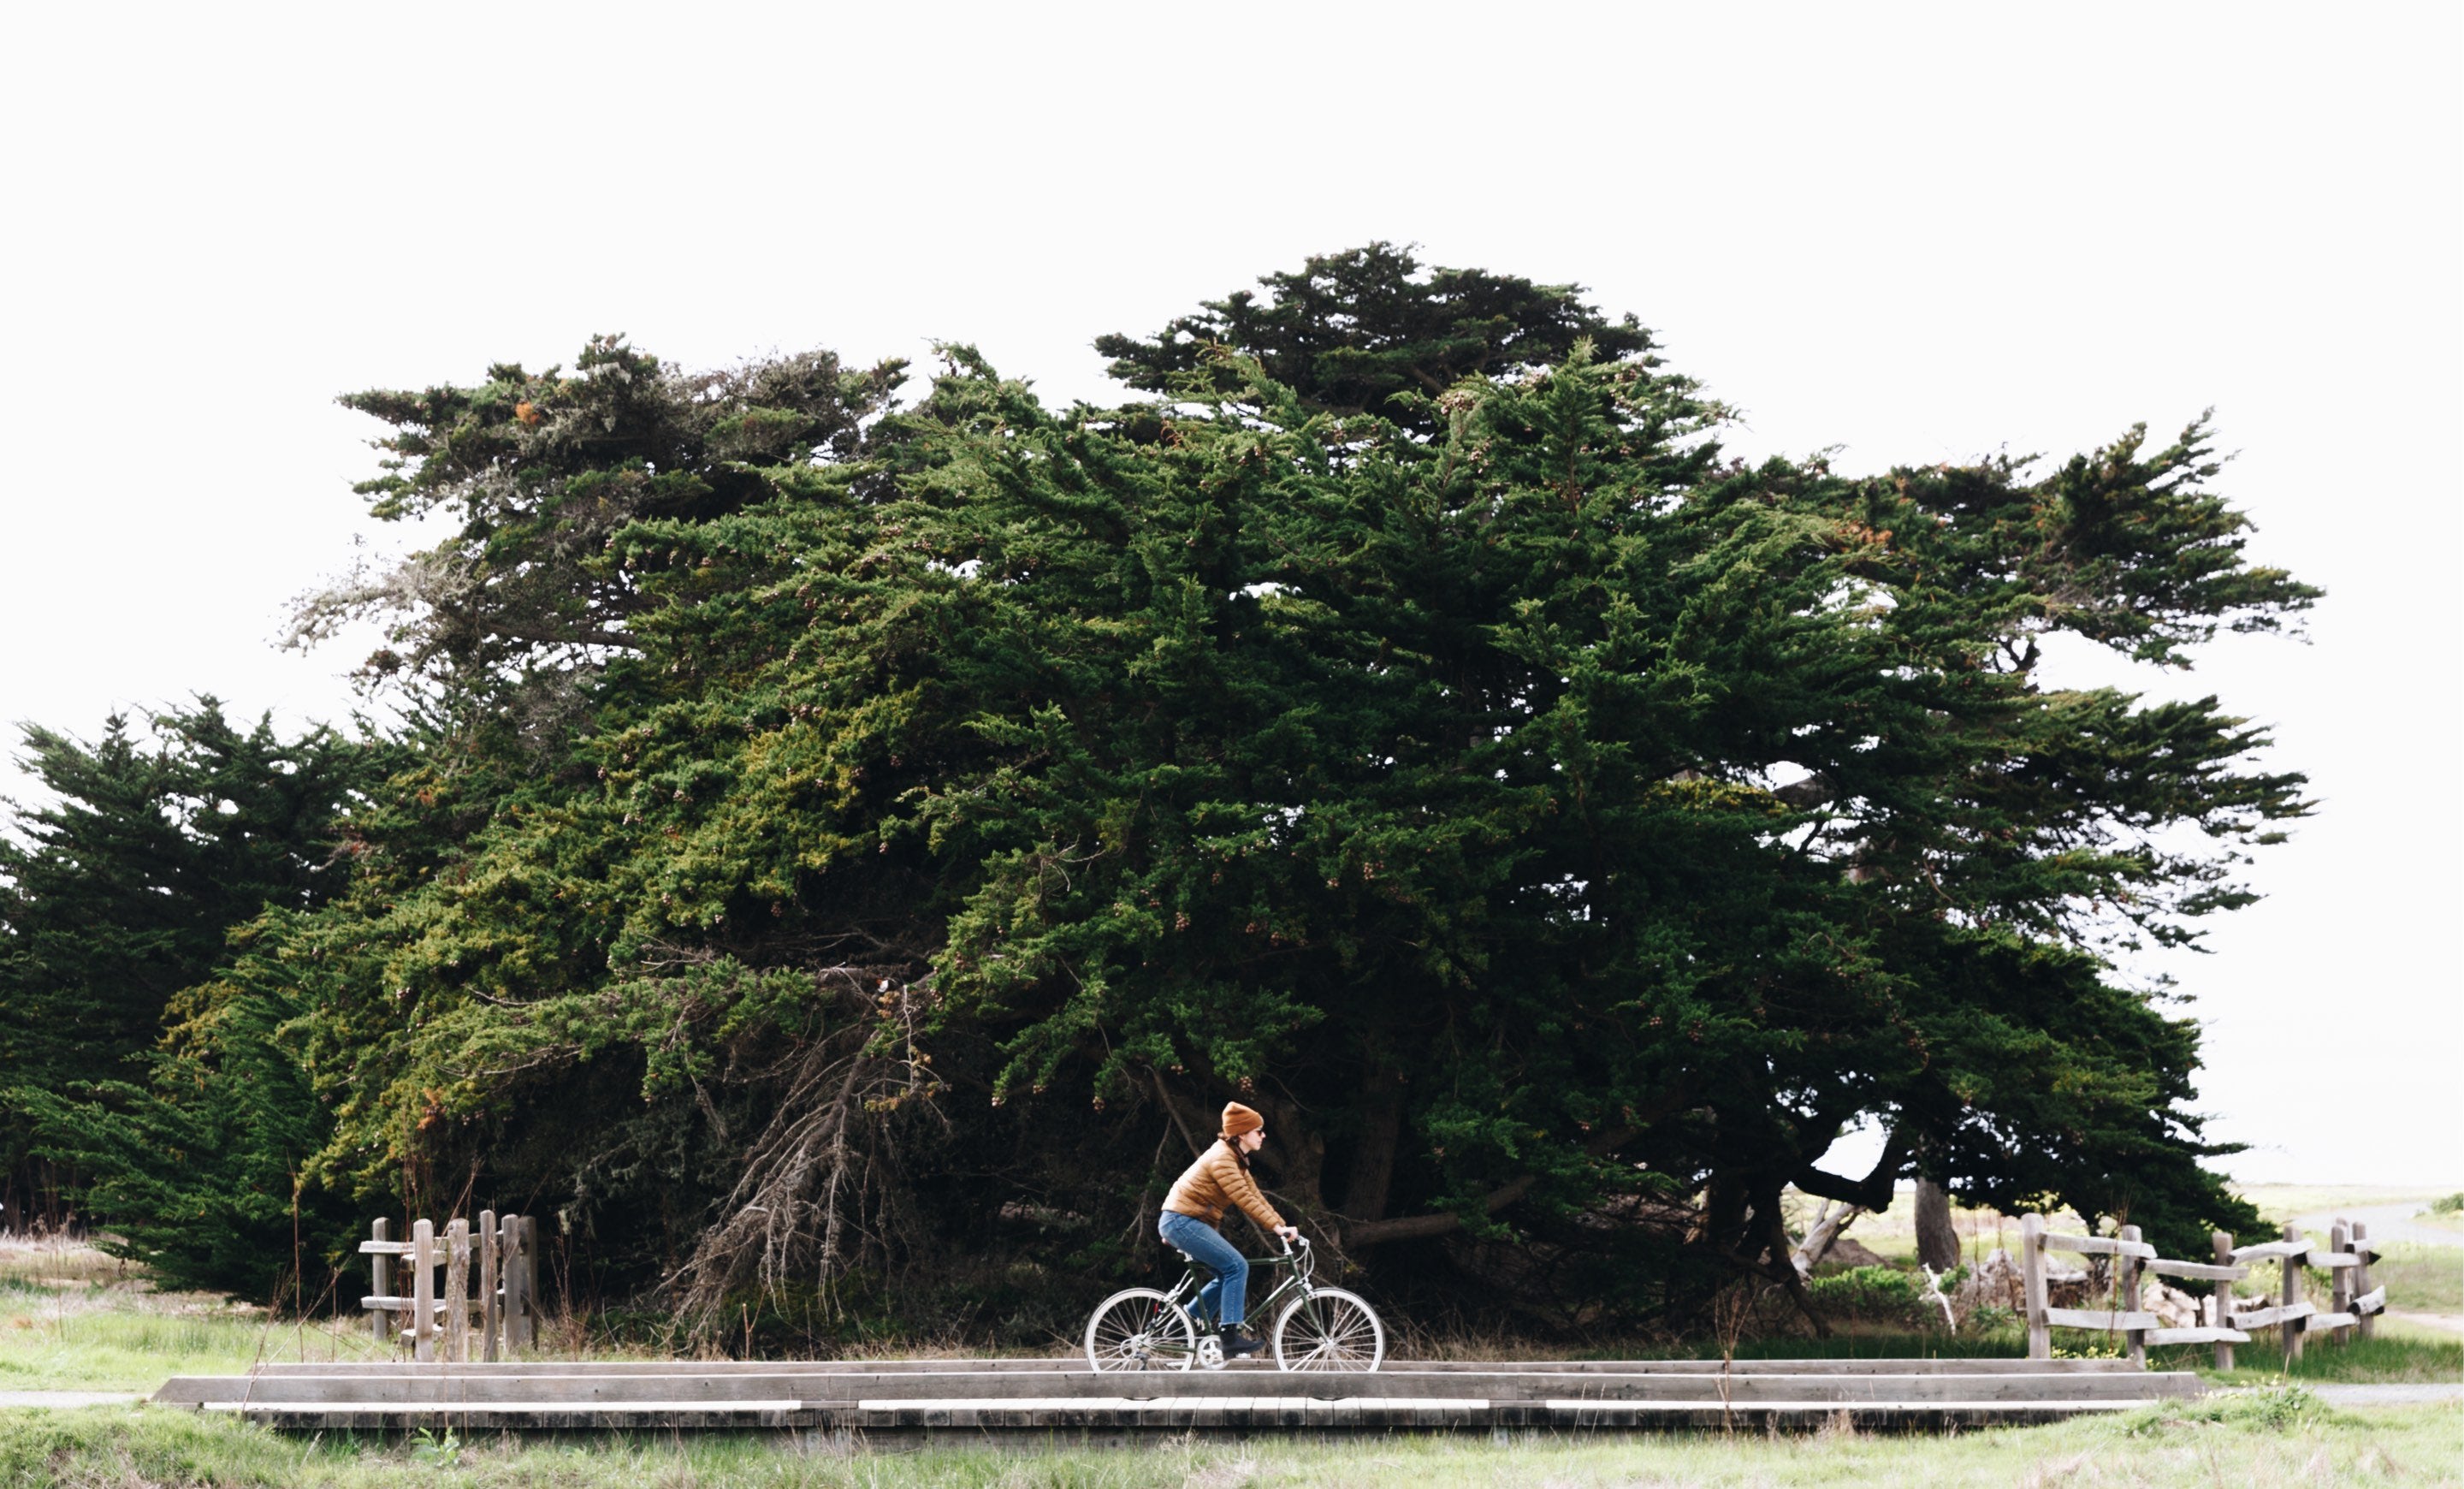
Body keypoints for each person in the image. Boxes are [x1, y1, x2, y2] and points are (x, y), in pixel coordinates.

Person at [1158, 1100, 1300, 1357]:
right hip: (1182, 1222)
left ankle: (1184, 1323)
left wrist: (1281, 1225)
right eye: (1259, 1131)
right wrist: (1278, 1229)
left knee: (1227, 1273)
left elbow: (1256, 1196)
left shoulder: (1235, 1159)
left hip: (1183, 1222)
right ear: (1242, 1134)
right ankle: (1230, 1337)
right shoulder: (1223, 1158)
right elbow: (1244, 1199)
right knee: (1237, 1266)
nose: (1264, 1135)